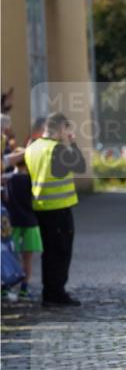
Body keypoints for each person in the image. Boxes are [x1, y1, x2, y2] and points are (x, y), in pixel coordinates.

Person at [24, 112, 86, 307]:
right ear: (60, 129)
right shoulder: (57, 149)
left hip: (40, 207)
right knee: (60, 252)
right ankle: (55, 293)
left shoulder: (32, 148)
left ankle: (50, 293)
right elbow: (81, 166)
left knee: (49, 252)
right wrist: (73, 144)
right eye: (67, 130)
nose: (69, 134)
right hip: (58, 208)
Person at [2, 156, 42, 299]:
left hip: (12, 223)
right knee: (28, 259)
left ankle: (5, 287)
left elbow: (5, 199)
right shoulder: (32, 180)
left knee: (9, 256)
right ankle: (24, 290)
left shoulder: (8, 180)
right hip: (30, 222)